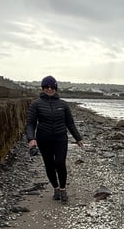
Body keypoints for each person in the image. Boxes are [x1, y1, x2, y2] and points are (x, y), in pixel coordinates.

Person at [25, 75, 84, 203]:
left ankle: (63, 189)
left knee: (60, 163)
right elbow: (30, 124)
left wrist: (78, 138)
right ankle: (56, 188)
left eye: (52, 87)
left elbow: (70, 123)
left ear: (56, 88)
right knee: (49, 165)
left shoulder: (63, 104)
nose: (49, 89)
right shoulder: (36, 104)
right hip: (43, 139)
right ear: (43, 88)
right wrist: (31, 139)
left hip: (60, 138)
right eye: (46, 87)